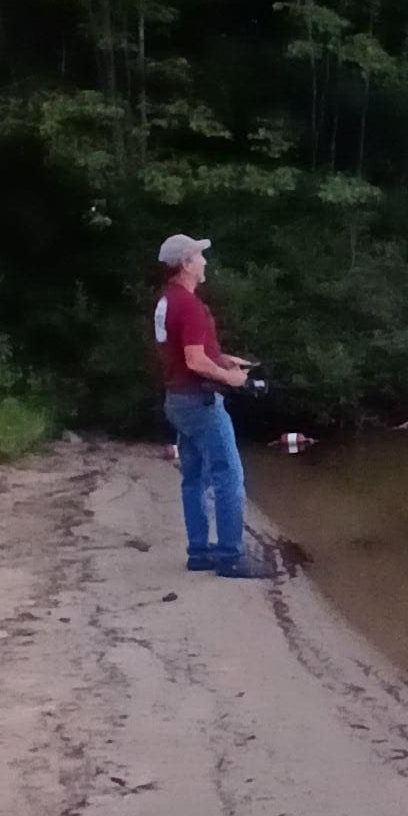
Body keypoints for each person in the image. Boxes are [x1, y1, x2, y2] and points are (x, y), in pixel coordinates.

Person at [154, 233, 259, 577]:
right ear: (186, 264)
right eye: (199, 256)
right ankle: (231, 557)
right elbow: (195, 361)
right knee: (229, 476)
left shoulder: (168, 301)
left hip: (177, 400)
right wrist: (231, 378)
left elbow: (184, 352)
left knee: (194, 478)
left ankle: (199, 552)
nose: (205, 262)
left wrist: (224, 359)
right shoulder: (189, 305)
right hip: (199, 401)